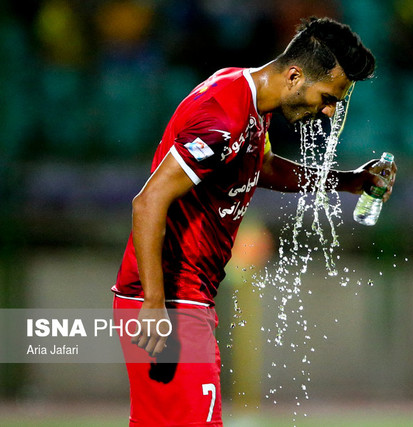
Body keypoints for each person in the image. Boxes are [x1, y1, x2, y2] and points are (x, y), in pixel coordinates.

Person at [112, 16, 397, 426]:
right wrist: (155, 305)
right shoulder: (223, 118)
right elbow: (148, 202)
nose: (330, 109)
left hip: (181, 296)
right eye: (328, 95)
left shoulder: (248, 102)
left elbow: (262, 167)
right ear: (296, 75)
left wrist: (348, 181)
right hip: (169, 300)